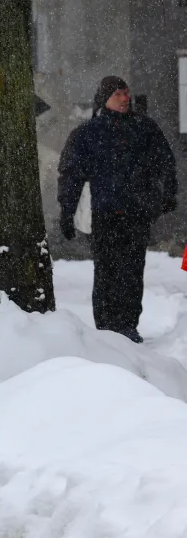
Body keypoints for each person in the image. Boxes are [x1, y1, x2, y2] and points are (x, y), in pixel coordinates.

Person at [58, 75, 178, 343]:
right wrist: (66, 211)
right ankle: (107, 327)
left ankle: (127, 325)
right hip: (106, 212)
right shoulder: (88, 133)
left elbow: (165, 163)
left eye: (126, 93)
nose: (125, 99)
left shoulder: (144, 128)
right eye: (118, 95)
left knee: (133, 270)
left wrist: (167, 194)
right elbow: (71, 175)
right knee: (107, 271)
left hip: (137, 212)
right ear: (105, 99)